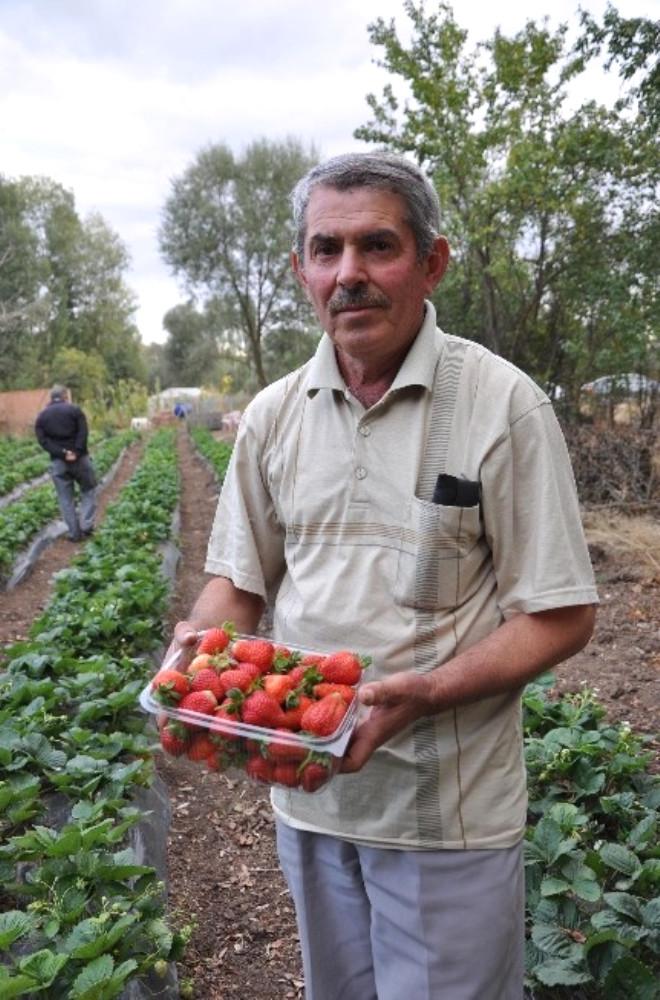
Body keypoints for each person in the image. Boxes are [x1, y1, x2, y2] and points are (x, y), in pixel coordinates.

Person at [168, 152, 598, 999]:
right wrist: (200, 650)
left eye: (378, 247)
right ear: (300, 271)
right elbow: (239, 583)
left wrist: (427, 693)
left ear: (432, 261)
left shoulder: (502, 403)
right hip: (307, 792)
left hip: (449, 813)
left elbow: (561, 613)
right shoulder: (273, 414)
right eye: (326, 250)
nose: (349, 274)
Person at [35, 384, 97, 542]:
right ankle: (86, 525)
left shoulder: (42, 416)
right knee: (88, 489)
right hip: (81, 460)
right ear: (65, 396)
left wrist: (62, 453)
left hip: (58, 462)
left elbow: (43, 441)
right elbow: (83, 432)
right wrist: (75, 451)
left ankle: (74, 534)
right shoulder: (75, 410)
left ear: (51, 398)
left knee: (65, 499)